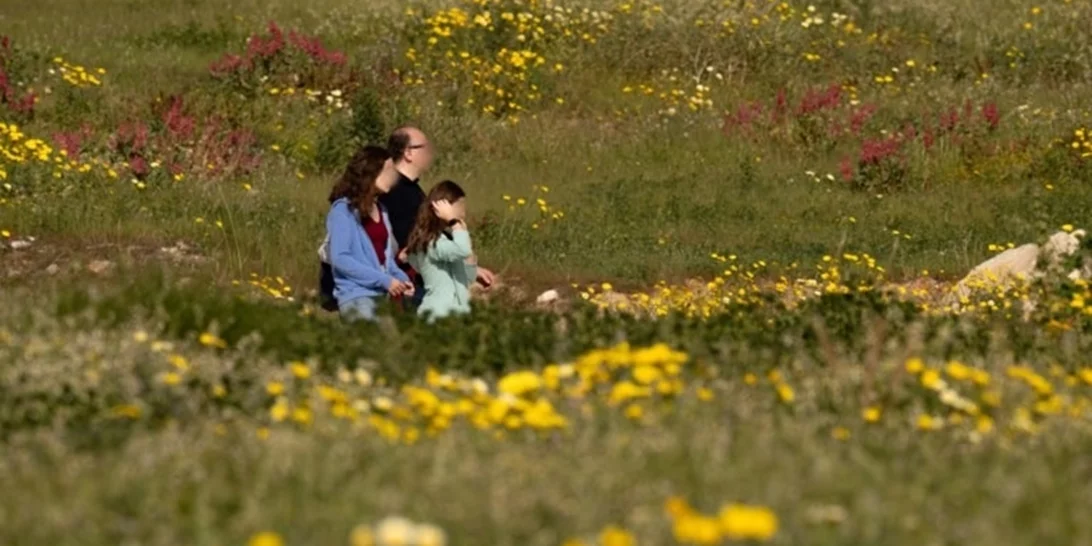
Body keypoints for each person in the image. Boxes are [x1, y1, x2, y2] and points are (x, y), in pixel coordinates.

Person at [380, 126, 495, 308]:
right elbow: (417, 240)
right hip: (414, 283)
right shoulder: (396, 192)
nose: (430, 152)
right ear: (408, 153)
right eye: (424, 147)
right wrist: (455, 227)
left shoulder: (412, 190)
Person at [325, 145, 414, 322]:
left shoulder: (383, 211)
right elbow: (341, 258)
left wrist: (401, 280)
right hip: (357, 298)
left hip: (381, 297)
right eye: (388, 170)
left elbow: (386, 260)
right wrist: (384, 280)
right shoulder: (343, 211)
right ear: (370, 173)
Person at [403, 181, 478, 321]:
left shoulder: (447, 240)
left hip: (457, 314)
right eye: (459, 207)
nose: (463, 212)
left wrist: (463, 232)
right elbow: (462, 250)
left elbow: (469, 277)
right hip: (438, 315)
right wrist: (454, 222)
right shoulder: (432, 243)